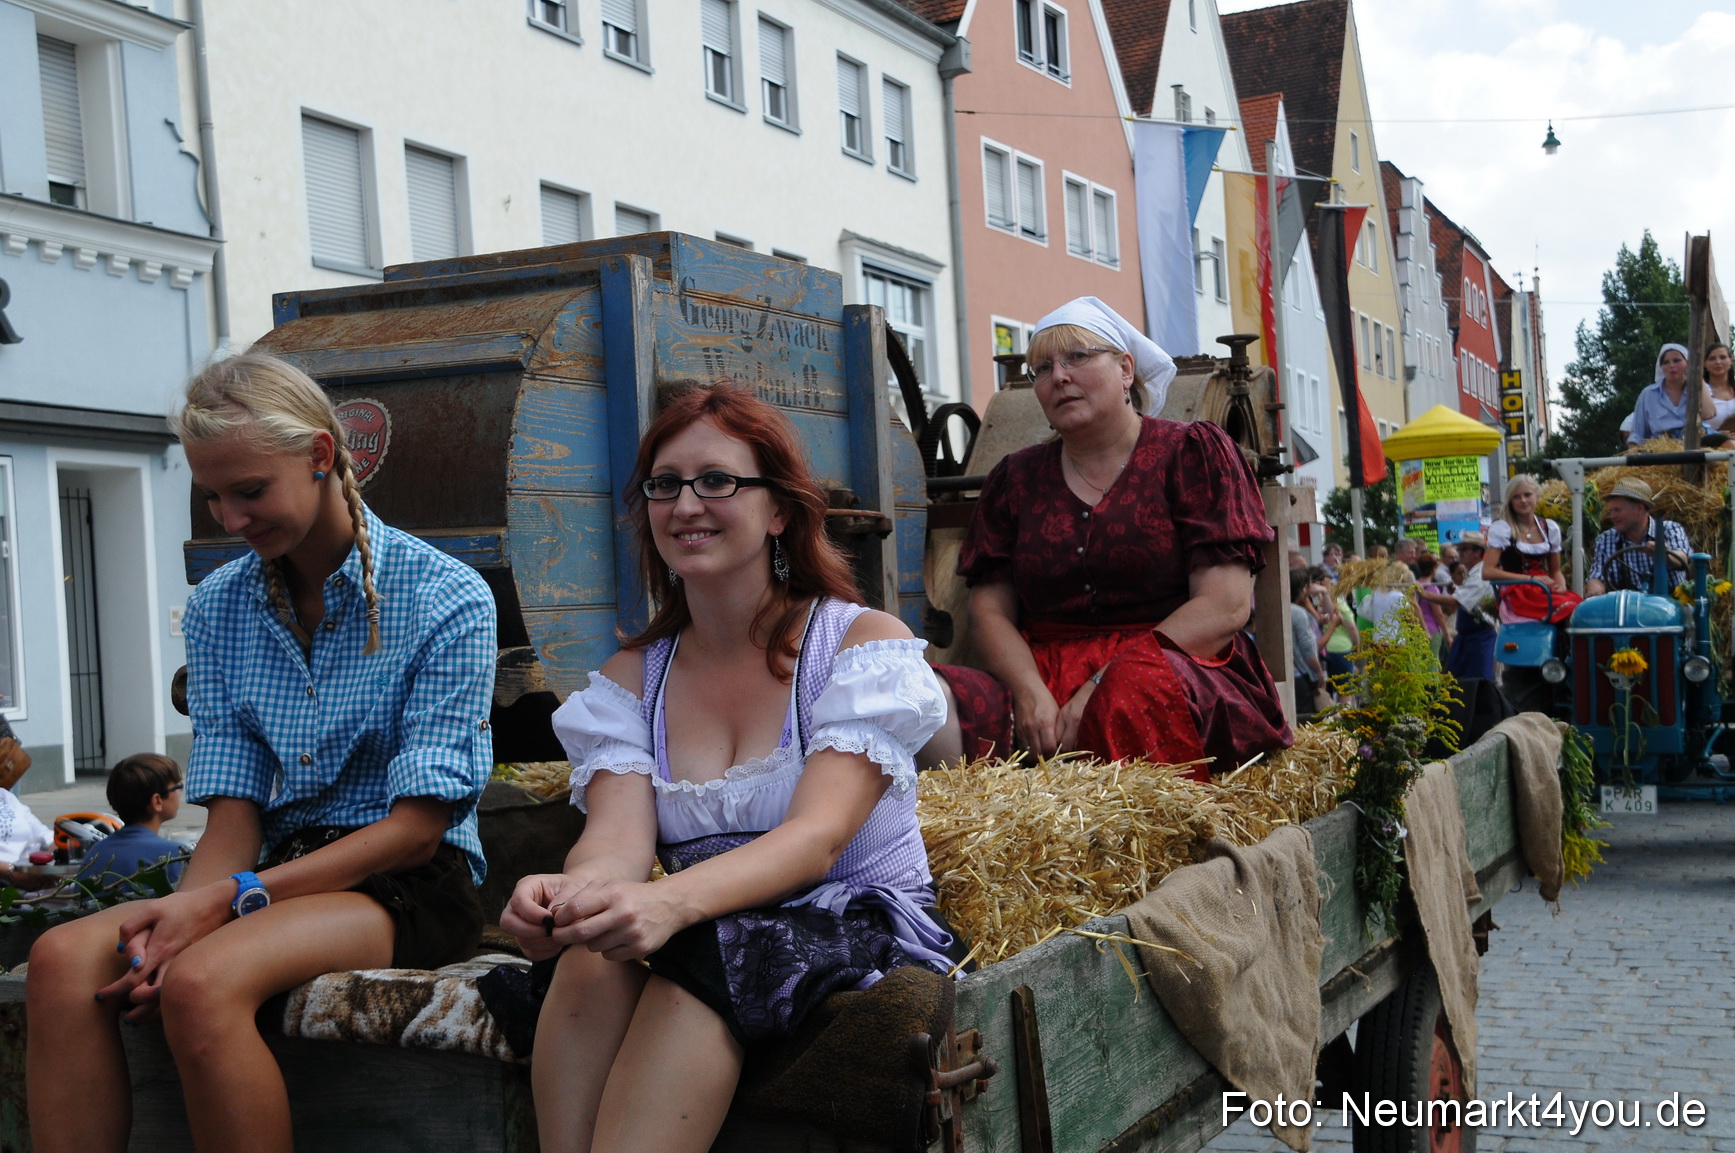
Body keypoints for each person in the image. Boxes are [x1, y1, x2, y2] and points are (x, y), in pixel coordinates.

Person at [27, 351, 497, 1153]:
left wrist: (222, 905)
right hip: (275, 874)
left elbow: (417, 831)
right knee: (60, 958)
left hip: (407, 882)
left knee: (201, 981)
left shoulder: (445, 596)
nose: (231, 518)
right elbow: (233, 820)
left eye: (249, 490)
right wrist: (182, 915)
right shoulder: (219, 606)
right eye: (213, 495)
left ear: (320, 455)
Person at [506, 384, 949, 1153]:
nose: (685, 504)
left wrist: (667, 902)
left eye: (716, 480)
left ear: (778, 509)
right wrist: (569, 897)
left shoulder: (855, 645)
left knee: (704, 961)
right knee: (589, 961)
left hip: (846, 918)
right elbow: (615, 842)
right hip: (705, 926)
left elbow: (815, 839)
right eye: (664, 484)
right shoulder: (633, 679)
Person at [929, 296, 1290, 777]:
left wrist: (1101, 684)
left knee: (1132, 691)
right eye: (1042, 369)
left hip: (1173, 667)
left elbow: (1225, 605)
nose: (1058, 377)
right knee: (913, 697)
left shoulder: (1191, 453)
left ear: (1125, 370)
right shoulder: (1015, 479)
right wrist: (1028, 690)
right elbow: (990, 611)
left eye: (1077, 357)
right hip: (1042, 680)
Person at [72, 754, 189, 894]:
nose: (179, 794)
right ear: (157, 801)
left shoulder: (95, 852)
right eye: (177, 787)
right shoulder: (173, 855)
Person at [1481, 474, 1581, 624]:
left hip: (1544, 589)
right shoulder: (1503, 529)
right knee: (1569, 610)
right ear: (1510, 501)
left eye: (1527, 495)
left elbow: (1555, 571)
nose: (1523, 500)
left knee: (1582, 609)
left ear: (1537, 496)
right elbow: (1487, 572)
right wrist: (1531, 579)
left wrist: (1561, 586)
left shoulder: (1549, 528)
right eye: (1516, 497)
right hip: (1518, 592)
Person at [1585, 479, 1692, 596]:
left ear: (1639, 509)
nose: (1612, 516)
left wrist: (1665, 554)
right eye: (1611, 511)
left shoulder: (1669, 529)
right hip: (1625, 606)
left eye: (1617, 510)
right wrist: (1595, 586)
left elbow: (1682, 559)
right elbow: (1597, 575)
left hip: (1669, 604)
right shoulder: (1606, 539)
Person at [1627, 342, 1715, 445]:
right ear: (1661, 367)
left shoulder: (1700, 388)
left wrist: (1697, 378)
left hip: (1700, 439)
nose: (1672, 365)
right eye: (1666, 362)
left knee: (1728, 443)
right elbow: (1637, 434)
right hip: (1664, 444)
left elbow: (1708, 413)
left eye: (1677, 360)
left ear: (1688, 363)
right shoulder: (1648, 394)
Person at [0, 716, 52, 881]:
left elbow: (47, 837)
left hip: (35, 877)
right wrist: (15, 875)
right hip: (11, 886)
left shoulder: (6, 797)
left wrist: (55, 858)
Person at [1445, 532, 1497, 681]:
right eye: (1459, 549)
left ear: (1477, 552)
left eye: (1464, 549)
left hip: (1480, 636)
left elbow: (1455, 602)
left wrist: (1423, 593)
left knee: (1478, 683)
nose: (1459, 553)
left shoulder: (1481, 575)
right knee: (1458, 682)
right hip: (1467, 637)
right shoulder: (1472, 573)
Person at [1290, 568, 1325, 720]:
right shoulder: (1298, 613)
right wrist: (1318, 672)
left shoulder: (1279, 608)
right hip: (1301, 675)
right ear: (1303, 588)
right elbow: (1307, 648)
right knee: (1307, 719)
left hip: (1285, 674)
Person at [1704, 342, 1735, 431]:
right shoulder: (1701, 392)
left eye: (1723, 357)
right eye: (1712, 359)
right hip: (1709, 438)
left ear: (1730, 361)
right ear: (1704, 363)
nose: (1718, 362)